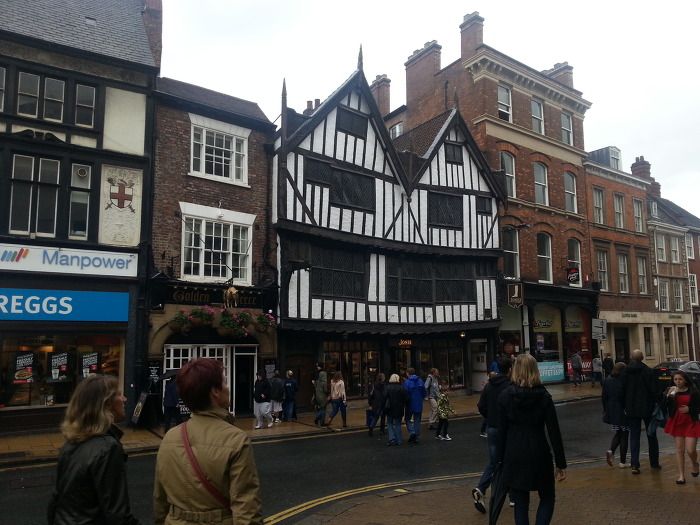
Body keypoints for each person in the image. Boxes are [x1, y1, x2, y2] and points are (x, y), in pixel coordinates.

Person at [153, 358, 262, 524]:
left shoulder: (169, 437)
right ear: (215, 392)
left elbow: (160, 502)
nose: (228, 387)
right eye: (224, 382)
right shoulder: (236, 440)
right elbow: (247, 511)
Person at [48, 374, 141, 525]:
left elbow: (56, 501)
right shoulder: (108, 448)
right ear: (106, 404)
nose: (124, 399)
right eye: (119, 394)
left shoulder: (69, 444)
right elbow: (118, 515)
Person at [497, 354, 566, 525]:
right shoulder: (544, 396)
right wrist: (560, 463)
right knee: (547, 496)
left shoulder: (505, 396)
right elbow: (554, 431)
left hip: (514, 453)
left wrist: (500, 461)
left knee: (520, 502)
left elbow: (501, 433)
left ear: (515, 370)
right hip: (539, 451)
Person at [472, 356, 513, 514]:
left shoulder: (489, 386)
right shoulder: (510, 386)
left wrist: (490, 417)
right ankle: (510, 494)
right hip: (506, 429)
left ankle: (483, 489)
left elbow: (481, 406)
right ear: (509, 370)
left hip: (492, 428)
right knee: (508, 460)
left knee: (495, 461)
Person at [620, 349, 661, 474]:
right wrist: (658, 401)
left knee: (634, 436)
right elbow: (654, 390)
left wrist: (624, 406)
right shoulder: (648, 371)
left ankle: (634, 465)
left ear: (631, 358)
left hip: (631, 408)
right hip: (647, 407)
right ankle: (654, 463)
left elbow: (622, 391)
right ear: (642, 358)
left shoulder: (625, 372)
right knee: (651, 434)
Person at [663, 370, 700, 484]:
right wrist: (668, 396)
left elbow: (698, 407)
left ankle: (694, 463)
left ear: (685, 380)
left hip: (691, 422)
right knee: (679, 450)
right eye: (675, 379)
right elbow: (663, 406)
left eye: (680, 379)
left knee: (690, 450)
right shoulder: (671, 391)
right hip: (677, 422)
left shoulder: (693, 391)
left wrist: (690, 409)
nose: (678, 382)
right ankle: (681, 476)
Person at [602, 362, 630, 468]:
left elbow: (604, 397)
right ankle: (622, 462)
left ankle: (611, 451)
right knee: (625, 436)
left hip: (612, 411)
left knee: (618, 433)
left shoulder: (607, 380)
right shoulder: (623, 380)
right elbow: (624, 397)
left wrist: (605, 410)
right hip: (622, 411)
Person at [403, 367, 426, 443]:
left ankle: (412, 432)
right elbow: (424, 392)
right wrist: (421, 398)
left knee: (407, 419)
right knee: (417, 420)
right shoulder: (420, 381)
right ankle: (416, 436)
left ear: (407, 373)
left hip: (409, 403)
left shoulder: (407, 382)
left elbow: (405, 394)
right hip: (418, 403)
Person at [384, 373, 407, 446]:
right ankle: (399, 440)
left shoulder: (387, 387)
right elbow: (406, 398)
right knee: (398, 424)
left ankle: (392, 439)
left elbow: (384, 398)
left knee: (389, 423)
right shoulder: (401, 388)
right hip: (399, 409)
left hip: (389, 408)